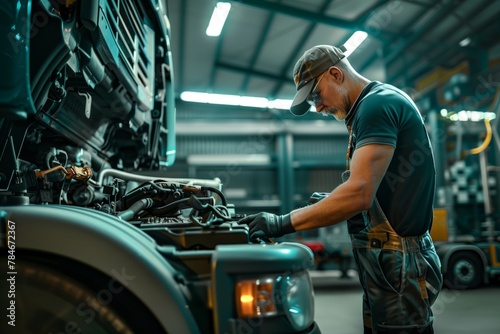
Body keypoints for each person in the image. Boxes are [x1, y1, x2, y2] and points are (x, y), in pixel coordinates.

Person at [238, 45, 443, 334]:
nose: (318, 107)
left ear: (335, 74)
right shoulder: (368, 109)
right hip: (388, 263)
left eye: (316, 95)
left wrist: (280, 222)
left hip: (401, 265)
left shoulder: (377, 106)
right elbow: (376, 189)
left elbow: (359, 194)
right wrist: (332, 201)